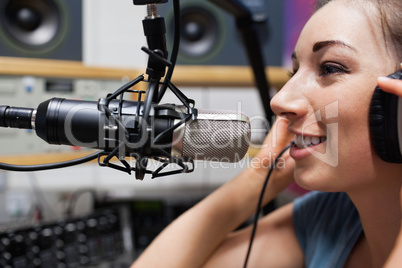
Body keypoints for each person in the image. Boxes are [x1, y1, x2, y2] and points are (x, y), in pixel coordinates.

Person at [132, 0, 402, 267]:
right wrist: (262, 174)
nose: (280, 100)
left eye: (329, 68)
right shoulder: (327, 221)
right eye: (294, 72)